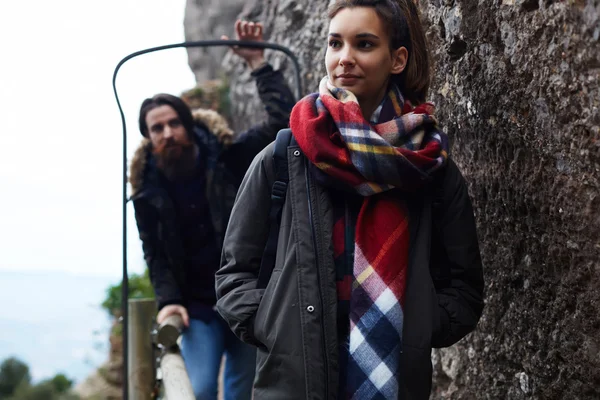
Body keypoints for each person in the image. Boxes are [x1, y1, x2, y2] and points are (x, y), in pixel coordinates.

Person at [215, 1, 485, 399]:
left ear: (397, 59)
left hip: (394, 378)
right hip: (293, 382)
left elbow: (465, 286)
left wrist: (420, 325)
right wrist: (274, 325)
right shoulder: (284, 156)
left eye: (364, 44)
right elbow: (233, 271)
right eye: (335, 43)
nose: (345, 59)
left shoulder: (428, 167)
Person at [130, 20, 295, 400]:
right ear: (148, 137)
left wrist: (257, 62)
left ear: (188, 125)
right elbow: (155, 254)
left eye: (174, 123)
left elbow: (284, 125)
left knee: (244, 392)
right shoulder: (147, 194)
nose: (168, 133)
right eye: (157, 128)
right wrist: (168, 300)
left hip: (245, 293)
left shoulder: (228, 157)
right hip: (198, 306)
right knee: (198, 389)